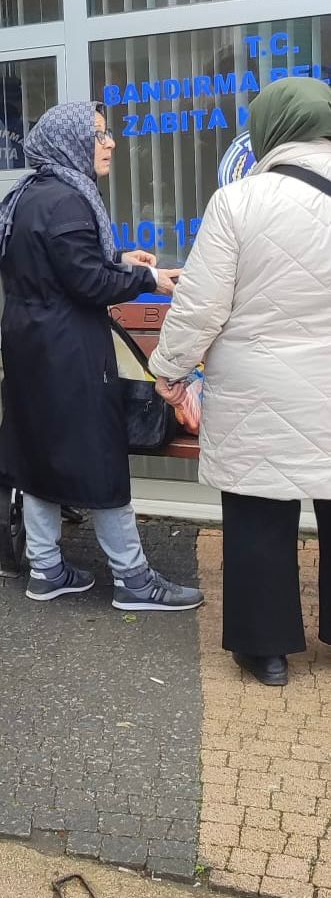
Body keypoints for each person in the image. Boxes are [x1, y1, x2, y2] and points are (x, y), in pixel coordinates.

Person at [0, 101, 205, 613]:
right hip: (67, 350)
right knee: (101, 455)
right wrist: (147, 278)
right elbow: (87, 282)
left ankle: (45, 569)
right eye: (100, 135)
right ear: (69, 142)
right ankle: (133, 579)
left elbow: (64, 265)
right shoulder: (66, 200)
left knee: (39, 452)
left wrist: (117, 259)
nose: (109, 143)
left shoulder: (31, 195)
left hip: (31, 344)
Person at [150, 78, 331, 687]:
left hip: (259, 392)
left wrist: (170, 372)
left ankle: (268, 650)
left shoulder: (239, 201)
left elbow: (199, 307)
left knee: (258, 514)